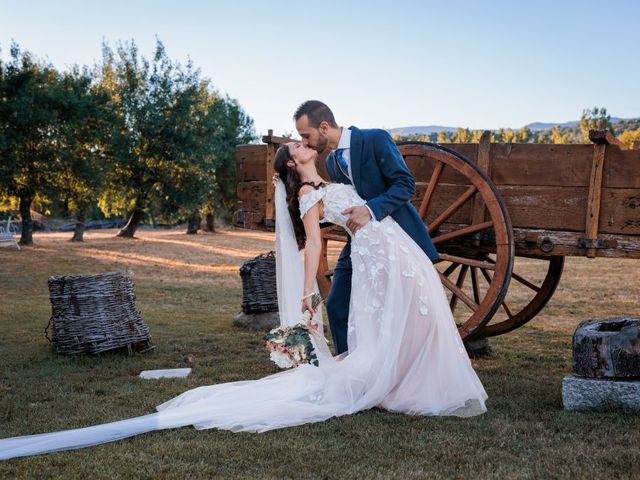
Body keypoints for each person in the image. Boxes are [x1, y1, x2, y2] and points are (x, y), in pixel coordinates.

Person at [0, 128, 487, 464]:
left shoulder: (332, 176)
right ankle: (397, 384)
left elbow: (377, 192)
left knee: (414, 318)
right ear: (295, 164)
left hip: (391, 249)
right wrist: (306, 295)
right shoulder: (309, 195)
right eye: (298, 145)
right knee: (389, 322)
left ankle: (406, 379)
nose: (303, 143)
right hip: (375, 256)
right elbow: (314, 243)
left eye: (302, 139)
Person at [293, 100, 439, 354]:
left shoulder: (375, 140)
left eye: (306, 136)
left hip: (395, 237)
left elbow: (405, 185)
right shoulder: (331, 162)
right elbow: (342, 204)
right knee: (337, 305)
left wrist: (370, 210)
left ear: (324, 127)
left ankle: (402, 365)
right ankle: (350, 372)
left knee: (406, 307)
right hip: (359, 243)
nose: (305, 142)